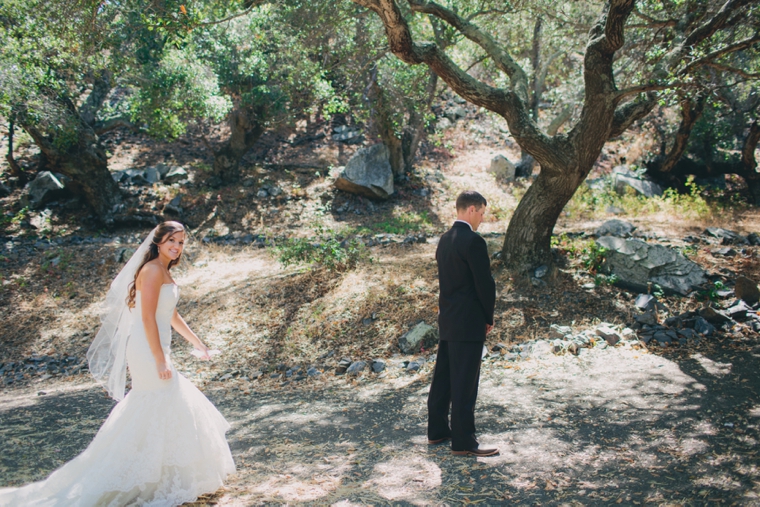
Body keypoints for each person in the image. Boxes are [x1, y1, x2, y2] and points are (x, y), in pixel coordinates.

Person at [0, 221, 235, 506]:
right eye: (172, 240)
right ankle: (128, 474)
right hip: (147, 349)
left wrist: (196, 342)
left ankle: (163, 475)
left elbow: (170, 314)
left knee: (164, 402)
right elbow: (147, 318)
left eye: (181, 242)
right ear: (158, 241)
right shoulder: (150, 271)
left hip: (158, 346)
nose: (177, 246)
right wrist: (160, 359)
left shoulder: (164, 271)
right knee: (160, 399)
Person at [427, 191, 498, 457]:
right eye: (481, 213)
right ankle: (464, 441)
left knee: (444, 378)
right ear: (470, 210)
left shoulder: (444, 240)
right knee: (465, 383)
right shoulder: (474, 241)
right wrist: (488, 317)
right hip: (468, 322)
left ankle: (437, 431)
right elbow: (485, 284)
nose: (482, 218)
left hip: (447, 319)